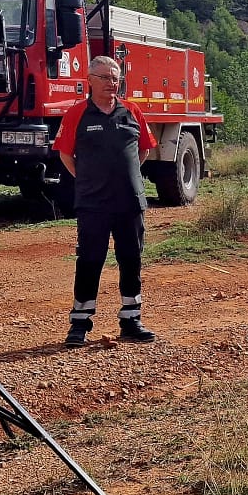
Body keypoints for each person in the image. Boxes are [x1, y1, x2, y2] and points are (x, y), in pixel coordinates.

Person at [56, 54, 157, 346]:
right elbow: (65, 154)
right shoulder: (77, 114)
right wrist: (88, 180)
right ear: (89, 80)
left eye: (115, 78)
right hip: (93, 203)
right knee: (90, 260)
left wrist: (129, 178)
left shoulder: (132, 111)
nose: (111, 83)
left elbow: (144, 149)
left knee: (131, 258)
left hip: (129, 202)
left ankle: (131, 319)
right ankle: (80, 323)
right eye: (104, 77)